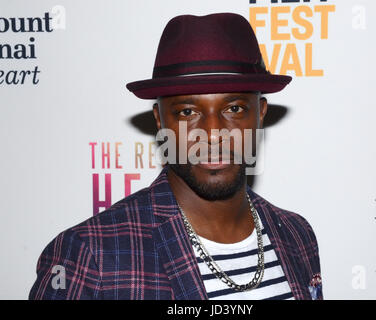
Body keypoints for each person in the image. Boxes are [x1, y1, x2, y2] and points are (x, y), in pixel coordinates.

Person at [29, 12, 322, 300]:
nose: (213, 132)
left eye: (234, 108)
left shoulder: (296, 234)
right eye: (187, 112)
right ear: (160, 120)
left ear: (260, 114)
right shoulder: (89, 254)